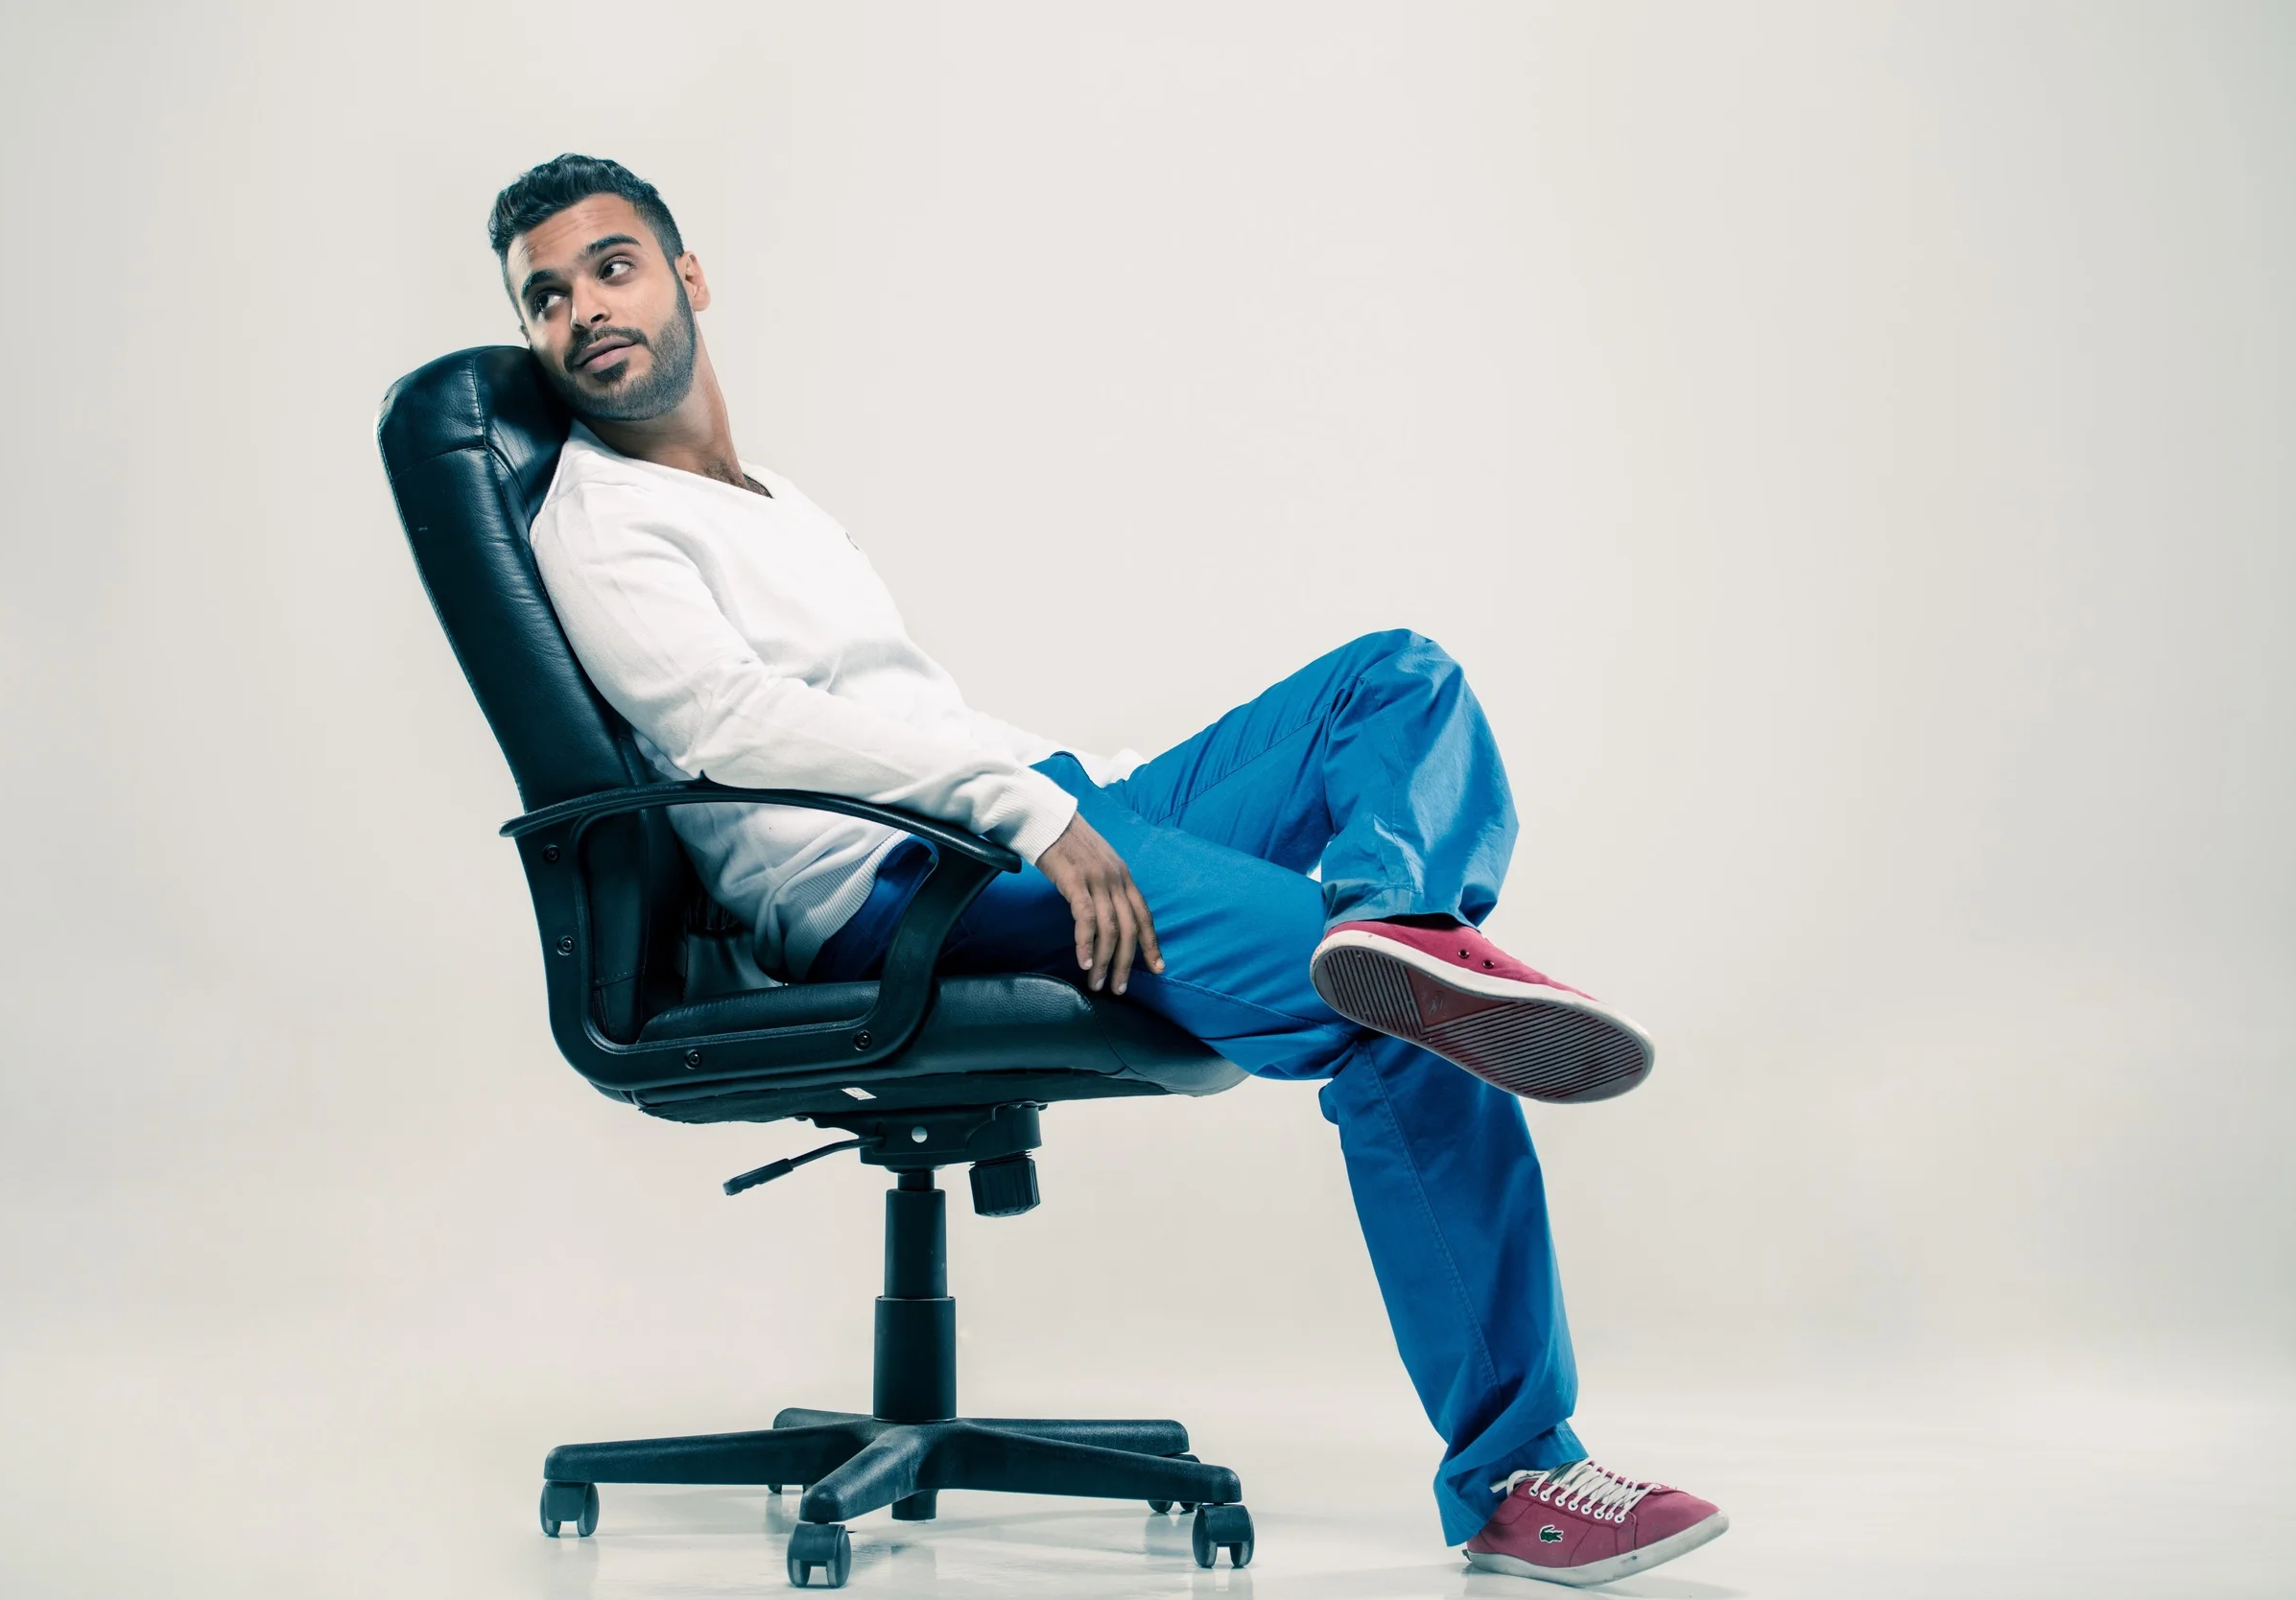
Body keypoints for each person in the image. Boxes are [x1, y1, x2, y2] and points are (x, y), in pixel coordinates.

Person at [486, 152, 1727, 1588]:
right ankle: (1518, 1477)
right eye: (546, 298)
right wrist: (1032, 814)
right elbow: (737, 727)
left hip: (1021, 813)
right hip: (897, 892)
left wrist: (1092, 794)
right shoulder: (600, 523)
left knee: (1392, 684)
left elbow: (913, 718)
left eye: (613, 267)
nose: (585, 309)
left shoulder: (773, 502)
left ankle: (1403, 919)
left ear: (688, 276)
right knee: (1397, 1022)